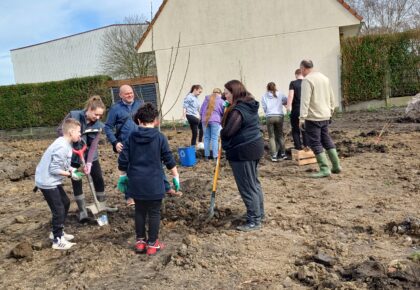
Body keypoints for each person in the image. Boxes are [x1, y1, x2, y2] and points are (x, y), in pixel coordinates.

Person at [117, 103, 180, 256]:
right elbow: (168, 158)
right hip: (154, 182)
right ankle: (152, 244)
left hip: (136, 182)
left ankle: (140, 242)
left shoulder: (131, 137)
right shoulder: (159, 137)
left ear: (138, 121)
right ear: (155, 120)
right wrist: (176, 176)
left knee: (139, 210)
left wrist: (123, 176)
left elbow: (123, 159)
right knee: (154, 212)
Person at [58, 95, 117, 222]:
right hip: (72, 152)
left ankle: (101, 205)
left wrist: (89, 163)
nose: (98, 117)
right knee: (76, 178)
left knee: (98, 177)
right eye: (95, 114)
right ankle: (82, 210)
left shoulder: (98, 125)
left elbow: (94, 145)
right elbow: (60, 130)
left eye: (100, 115)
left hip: (88, 151)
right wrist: (73, 137)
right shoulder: (73, 115)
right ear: (89, 109)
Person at [221, 80, 265, 232]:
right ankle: (259, 214)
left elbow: (228, 131)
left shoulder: (238, 110)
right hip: (254, 146)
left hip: (243, 151)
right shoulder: (249, 104)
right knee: (254, 183)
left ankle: (254, 220)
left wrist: (221, 131)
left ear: (234, 92)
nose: (224, 96)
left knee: (247, 186)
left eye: (226, 93)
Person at [35, 118, 84, 250]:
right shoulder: (62, 146)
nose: (80, 134)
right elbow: (54, 169)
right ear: (71, 132)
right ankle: (57, 240)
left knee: (65, 203)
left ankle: (57, 232)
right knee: (58, 209)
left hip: (51, 180)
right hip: (47, 182)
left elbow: (63, 164)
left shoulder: (65, 143)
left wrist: (72, 169)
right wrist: (70, 175)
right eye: (79, 132)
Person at [299, 59, 342, 178]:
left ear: (303, 68)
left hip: (313, 117)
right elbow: (331, 96)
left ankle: (324, 169)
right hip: (325, 115)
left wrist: (302, 118)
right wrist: (331, 110)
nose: (301, 72)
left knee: (315, 142)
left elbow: (305, 101)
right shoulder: (324, 78)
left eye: (301, 69)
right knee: (326, 139)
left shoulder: (307, 80)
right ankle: (336, 165)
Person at [104, 84, 143, 153]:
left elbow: (148, 121)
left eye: (131, 93)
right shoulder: (115, 108)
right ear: (120, 95)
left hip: (141, 143)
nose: (130, 95)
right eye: (127, 94)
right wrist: (115, 142)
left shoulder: (140, 105)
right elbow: (108, 127)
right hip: (125, 146)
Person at [261, 82, 288, 162]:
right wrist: (280, 103)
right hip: (279, 116)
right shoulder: (280, 94)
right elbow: (286, 101)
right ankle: (283, 154)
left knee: (271, 137)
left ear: (267, 88)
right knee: (280, 135)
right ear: (275, 87)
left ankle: (274, 156)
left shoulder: (264, 96)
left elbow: (264, 107)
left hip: (270, 117)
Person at [200, 88, 225, 160]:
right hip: (215, 120)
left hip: (205, 120)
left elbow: (201, 111)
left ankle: (206, 156)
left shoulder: (206, 99)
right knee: (214, 138)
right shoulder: (221, 101)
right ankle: (215, 156)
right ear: (220, 93)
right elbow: (223, 112)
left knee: (206, 138)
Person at [287, 69, 307, 150]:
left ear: (296, 75)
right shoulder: (307, 83)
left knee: (295, 129)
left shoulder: (293, 83)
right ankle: (307, 146)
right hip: (306, 109)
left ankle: (298, 148)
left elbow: (291, 96)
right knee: (305, 129)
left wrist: (288, 108)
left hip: (296, 109)